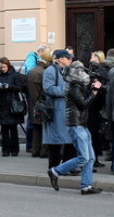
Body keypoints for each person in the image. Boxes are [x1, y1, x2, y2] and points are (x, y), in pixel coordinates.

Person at [47, 61, 103, 195]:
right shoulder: (73, 87)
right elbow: (83, 104)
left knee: (90, 158)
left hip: (82, 124)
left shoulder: (77, 85)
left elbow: (84, 95)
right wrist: (94, 91)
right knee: (84, 157)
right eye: (81, 71)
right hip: (76, 125)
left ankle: (86, 186)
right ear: (75, 74)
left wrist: (92, 86)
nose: (84, 74)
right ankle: (55, 171)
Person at [42, 49, 75, 168]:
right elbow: (48, 88)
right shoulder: (50, 71)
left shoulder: (67, 70)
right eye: (69, 58)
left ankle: (67, 167)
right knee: (55, 141)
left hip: (67, 110)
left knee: (69, 140)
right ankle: (54, 168)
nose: (71, 60)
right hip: (56, 109)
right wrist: (66, 90)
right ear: (61, 59)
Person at [0, 57, 24, 157]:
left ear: (8, 66)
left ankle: (15, 150)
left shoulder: (15, 75)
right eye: (1, 67)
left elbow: (19, 87)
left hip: (13, 104)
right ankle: (5, 150)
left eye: (4, 67)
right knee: (4, 129)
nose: (2, 69)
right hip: (2, 104)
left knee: (13, 129)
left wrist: (9, 86)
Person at [27, 51, 52, 157]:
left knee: (36, 130)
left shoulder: (32, 71)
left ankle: (35, 150)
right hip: (42, 104)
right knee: (44, 129)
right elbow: (45, 91)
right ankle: (44, 151)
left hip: (33, 104)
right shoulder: (43, 73)